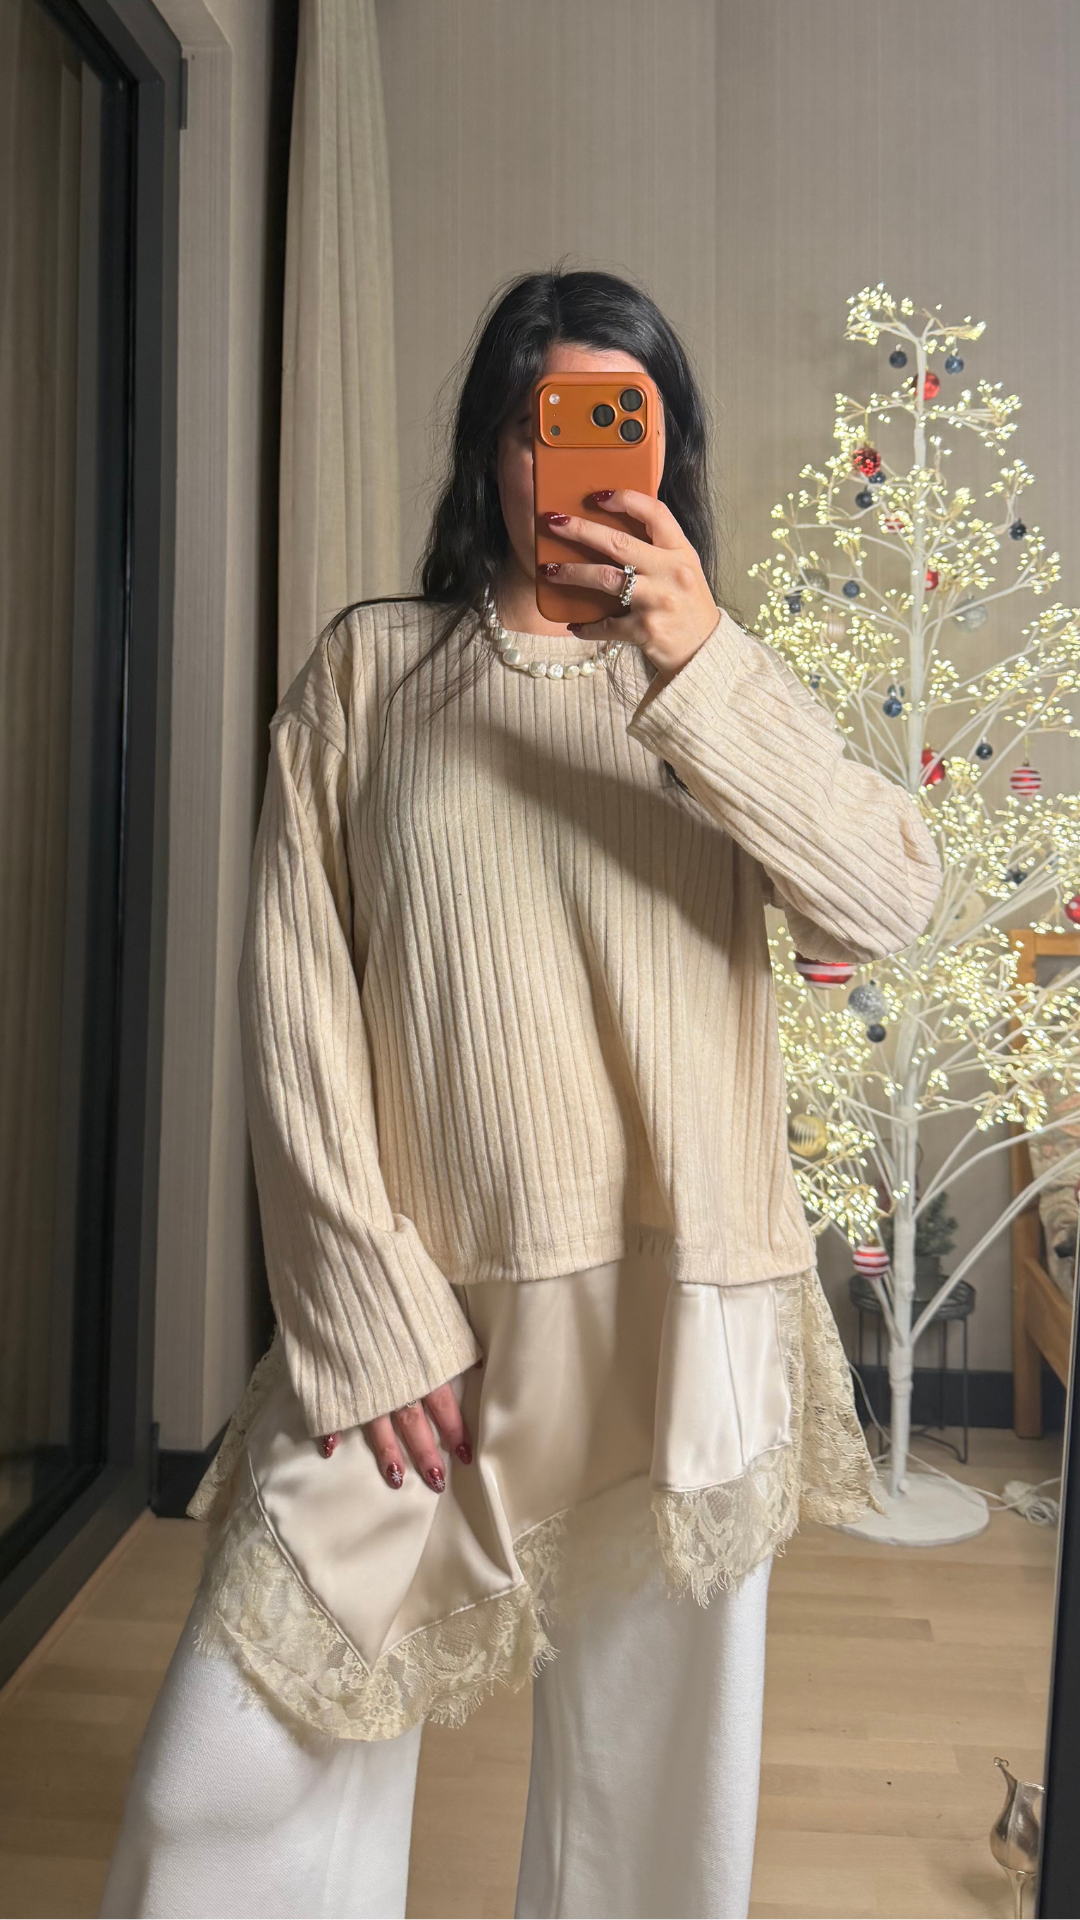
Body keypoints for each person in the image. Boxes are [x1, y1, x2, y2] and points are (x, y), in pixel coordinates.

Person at [100, 268, 941, 1920]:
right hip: (428, 1340)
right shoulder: (370, 676)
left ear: (670, 452)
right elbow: (295, 1015)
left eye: (622, 423)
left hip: (684, 1317)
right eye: (547, 423)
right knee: (218, 1797)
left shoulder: (720, 690)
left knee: (653, 1831)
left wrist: (696, 662)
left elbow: (887, 904)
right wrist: (364, 1311)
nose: (577, 463)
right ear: (491, 447)